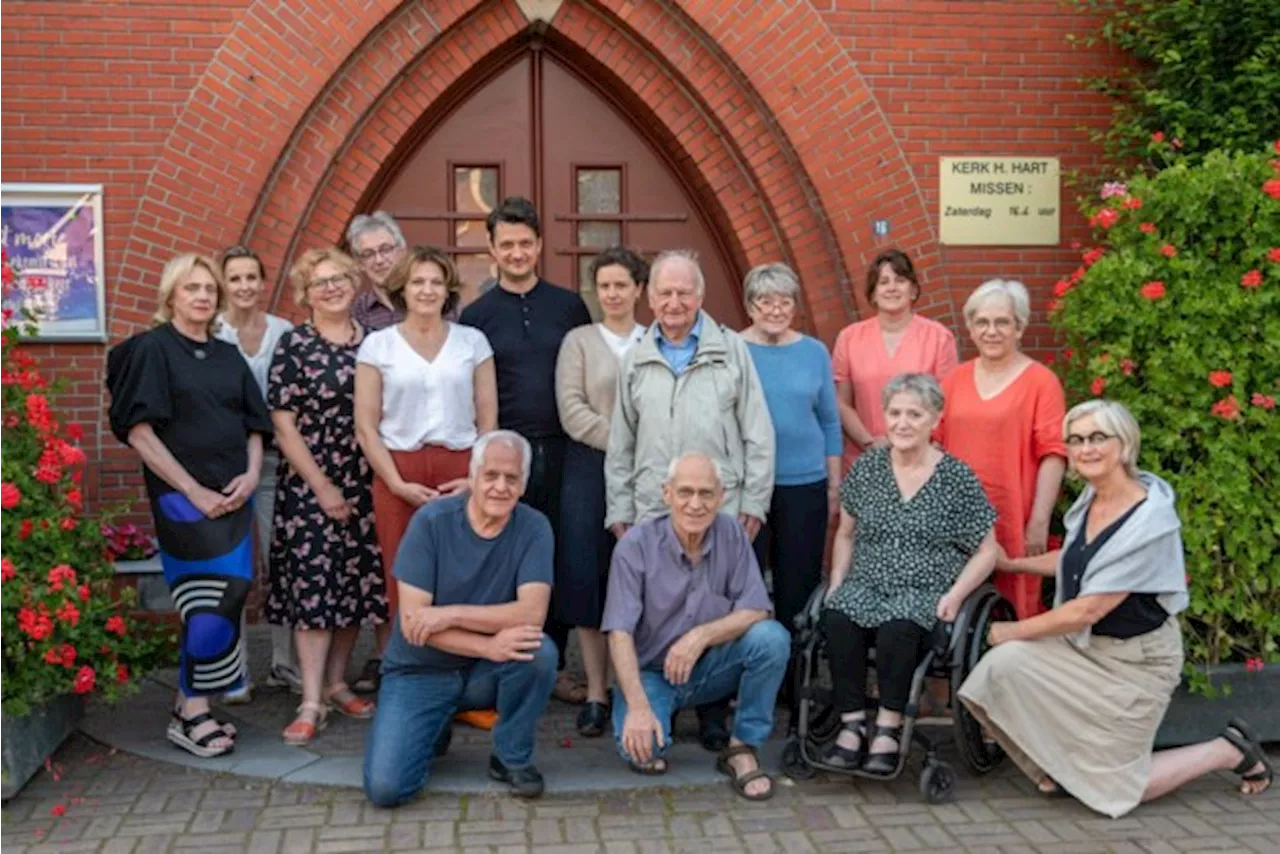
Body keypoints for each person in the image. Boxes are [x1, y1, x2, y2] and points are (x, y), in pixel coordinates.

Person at [958, 400, 1272, 817]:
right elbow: (1077, 559)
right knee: (997, 672)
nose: (1085, 448)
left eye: (1097, 438)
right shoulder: (1091, 500)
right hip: (1086, 648)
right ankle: (1060, 770)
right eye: (1076, 439)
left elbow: (1087, 609)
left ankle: (1227, 750)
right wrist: (1011, 563)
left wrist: (1008, 631)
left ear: (1123, 445)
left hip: (1137, 664)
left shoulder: (1148, 521)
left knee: (1123, 790)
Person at [605, 249, 775, 750]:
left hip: (722, 506)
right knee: (664, 607)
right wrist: (620, 510)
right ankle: (654, 697)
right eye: (665, 293)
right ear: (649, 298)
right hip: (652, 510)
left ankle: (714, 714)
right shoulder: (636, 357)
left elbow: (757, 432)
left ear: (699, 297)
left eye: (684, 292)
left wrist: (755, 502)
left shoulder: (730, 351)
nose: (674, 302)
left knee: (717, 604)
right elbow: (621, 442)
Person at [106, 253, 273, 758]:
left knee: (230, 593)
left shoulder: (227, 355)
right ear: (171, 295)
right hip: (182, 498)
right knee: (206, 600)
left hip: (234, 493)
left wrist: (250, 474)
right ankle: (192, 711)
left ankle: (189, 705)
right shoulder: (151, 350)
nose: (202, 296)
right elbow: (139, 432)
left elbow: (254, 423)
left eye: (208, 289)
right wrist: (193, 490)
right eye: (191, 288)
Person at [362, 431, 557, 806]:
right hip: (420, 670)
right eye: (491, 476)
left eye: (511, 478)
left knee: (538, 653)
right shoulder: (431, 522)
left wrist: (449, 614)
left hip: (482, 670)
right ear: (473, 476)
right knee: (386, 790)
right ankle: (432, 724)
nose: (500, 487)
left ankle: (510, 757)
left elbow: (531, 613)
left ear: (524, 483)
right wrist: (487, 642)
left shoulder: (534, 528)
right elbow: (414, 625)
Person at [822, 374, 997, 774]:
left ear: (935, 419)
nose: (902, 423)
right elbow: (846, 534)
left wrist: (955, 596)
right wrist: (836, 581)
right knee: (837, 615)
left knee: (899, 624)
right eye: (895, 413)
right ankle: (851, 725)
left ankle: (888, 725)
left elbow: (988, 551)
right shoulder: (867, 469)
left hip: (925, 589)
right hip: (867, 582)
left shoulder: (956, 478)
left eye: (914, 414)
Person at [460, 196, 592, 705]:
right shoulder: (477, 315)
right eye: (506, 244)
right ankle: (500, 658)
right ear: (492, 249)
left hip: (565, 449)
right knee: (503, 553)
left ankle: (552, 661)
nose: (516, 252)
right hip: (505, 456)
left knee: (557, 553)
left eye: (525, 243)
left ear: (539, 246)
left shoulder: (569, 306)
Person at [602, 453, 790, 801]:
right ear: (666, 494)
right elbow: (619, 633)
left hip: (711, 667)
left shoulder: (732, 533)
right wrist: (639, 709)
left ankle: (742, 746)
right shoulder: (635, 546)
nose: (695, 504)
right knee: (642, 752)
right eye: (685, 492)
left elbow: (756, 610)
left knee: (772, 640)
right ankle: (656, 714)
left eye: (706, 494)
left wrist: (700, 636)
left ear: (721, 497)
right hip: (652, 673)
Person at [355, 247, 497, 689]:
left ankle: (464, 681)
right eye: (418, 282)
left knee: (462, 574)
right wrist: (396, 483)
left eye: (436, 282)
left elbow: (488, 418)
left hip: (461, 469)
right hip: (399, 470)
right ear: (402, 289)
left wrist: (475, 478)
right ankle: (411, 677)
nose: (427, 290)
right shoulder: (378, 345)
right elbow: (365, 425)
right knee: (405, 576)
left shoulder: (472, 342)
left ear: (448, 289)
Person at [265, 247, 388, 745]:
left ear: (354, 281)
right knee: (316, 591)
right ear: (305, 294)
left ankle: (338, 682)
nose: (332, 288)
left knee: (354, 587)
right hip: (312, 483)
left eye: (339, 278)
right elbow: (283, 424)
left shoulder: (377, 343)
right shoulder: (295, 344)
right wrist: (322, 486)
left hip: (368, 478)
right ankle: (311, 698)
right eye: (320, 283)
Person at [554, 246, 648, 737]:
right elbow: (571, 409)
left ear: (639, 289)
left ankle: (637, 690)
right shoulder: (579, 341)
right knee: (589, 577)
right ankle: (595, 690)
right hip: (589, 470)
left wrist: (641, 452)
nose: (612, 294)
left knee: (638, 578)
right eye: (604, 285)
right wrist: (624, 441)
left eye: (621, 285)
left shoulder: (656, 339)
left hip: (647, 475)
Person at [938, 279, 1066, 619]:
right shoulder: (953, 380)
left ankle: (1012, 669)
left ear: (1020, 327)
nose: (991, 331)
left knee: (1016, 600)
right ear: (969, 327)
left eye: (1002, 322)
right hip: (955, 512)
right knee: (952, 598)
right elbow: (933, 445)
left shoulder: (1041, 382)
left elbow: (1053, 454)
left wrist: (1039, 519)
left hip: (1013, 513)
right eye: (982, 322)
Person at [739, 263, 841, 652]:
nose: (775, 310)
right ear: (750, 306)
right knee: (745, 582)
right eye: (765, 301)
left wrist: (834, 485)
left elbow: (830, 423)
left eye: (784, 301)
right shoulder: (734, 349)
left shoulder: (814, 352)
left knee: (797, 584)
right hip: (751, 488)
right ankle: (746, 670)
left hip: (806, 485)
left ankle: (794, 680)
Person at [214, 245, 301, 702]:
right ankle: (233, 674)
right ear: (223, 284)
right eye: (236, 279)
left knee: (281, 562)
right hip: (223, 468)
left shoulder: (284, 332)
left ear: (263, 282)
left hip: (273, 465)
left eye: (252, 277)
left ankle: (285, 664)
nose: (245, 286)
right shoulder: (212, 333)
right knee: (231, 571)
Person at [832, 249, 957, 474]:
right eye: (883, 282)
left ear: (913, 290)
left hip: (921, 463)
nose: (892, 288)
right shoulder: (849, 338)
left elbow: (948, 405)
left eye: (900, 280)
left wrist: (921, 450)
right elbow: (842, 403)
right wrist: (870, 444)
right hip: (864, 463)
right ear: (873, 293)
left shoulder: (939, 337)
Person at [347, 211, 407, 332]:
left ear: (402, 252)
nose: (379, 260)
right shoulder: (356, 313)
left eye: (385, 249)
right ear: (360, 264)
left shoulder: (428, 300)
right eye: (368, 254)